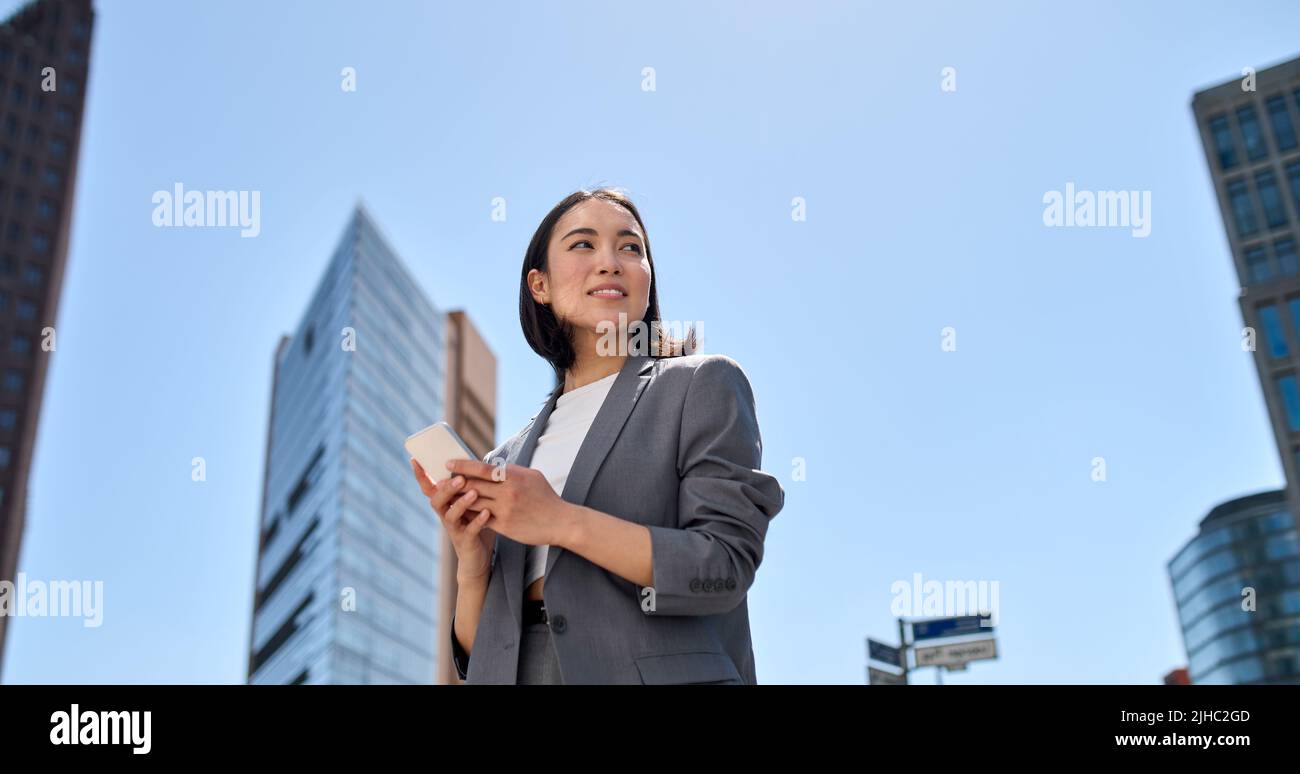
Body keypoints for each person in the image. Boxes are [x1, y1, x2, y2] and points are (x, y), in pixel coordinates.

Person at [409, 186, 784, 684]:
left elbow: (722, 565)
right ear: (539, 285)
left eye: (631, 248)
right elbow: (483, 656)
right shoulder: (508, 457)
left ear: (647, 281)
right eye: (583, 244)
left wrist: (559, 521)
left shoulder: (700, 385)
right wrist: (473, 562)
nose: (610, 261)